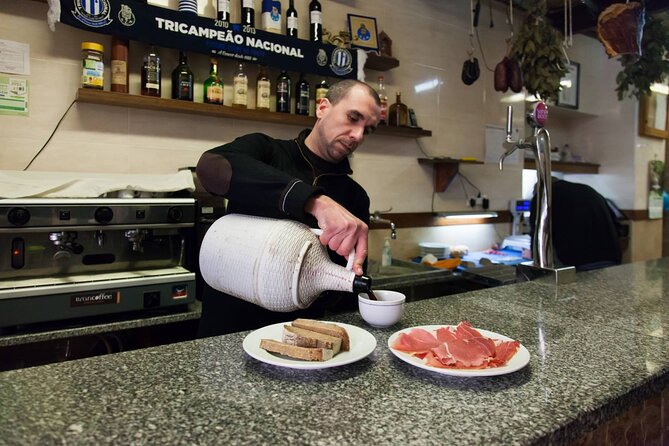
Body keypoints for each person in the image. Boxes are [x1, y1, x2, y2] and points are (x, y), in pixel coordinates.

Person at [196, 79, 381, 337]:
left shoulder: (355, 197)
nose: (358, 136)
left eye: (368, 130)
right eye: (353, 117)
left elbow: (344, 290)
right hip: (228, 333)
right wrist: (313, 201)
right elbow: (210, 166)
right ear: (322, 107)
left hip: (299, 342)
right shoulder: (265, 152)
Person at [530, 177, 622, 271]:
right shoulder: (588, 190)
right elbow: (616, 225)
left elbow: (538, 235)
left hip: (577, 263)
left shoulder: (543, 197)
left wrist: (534, 258)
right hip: (610, 258)